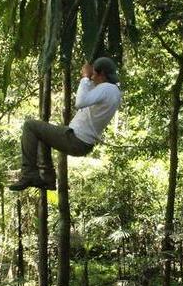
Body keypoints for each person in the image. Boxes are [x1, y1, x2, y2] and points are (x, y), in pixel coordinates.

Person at [9, 57, 122, 191]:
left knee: (30, 126)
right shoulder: (114, 91)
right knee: (42, 133)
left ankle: (29, 174)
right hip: (83, 142)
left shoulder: (106, 89)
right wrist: (90, 77)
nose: (92, 78)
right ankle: (47, 178)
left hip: (76, 139)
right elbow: (91, 92)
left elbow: (80, 102)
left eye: (94, 74)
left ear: (101, 74)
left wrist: (85, 77)